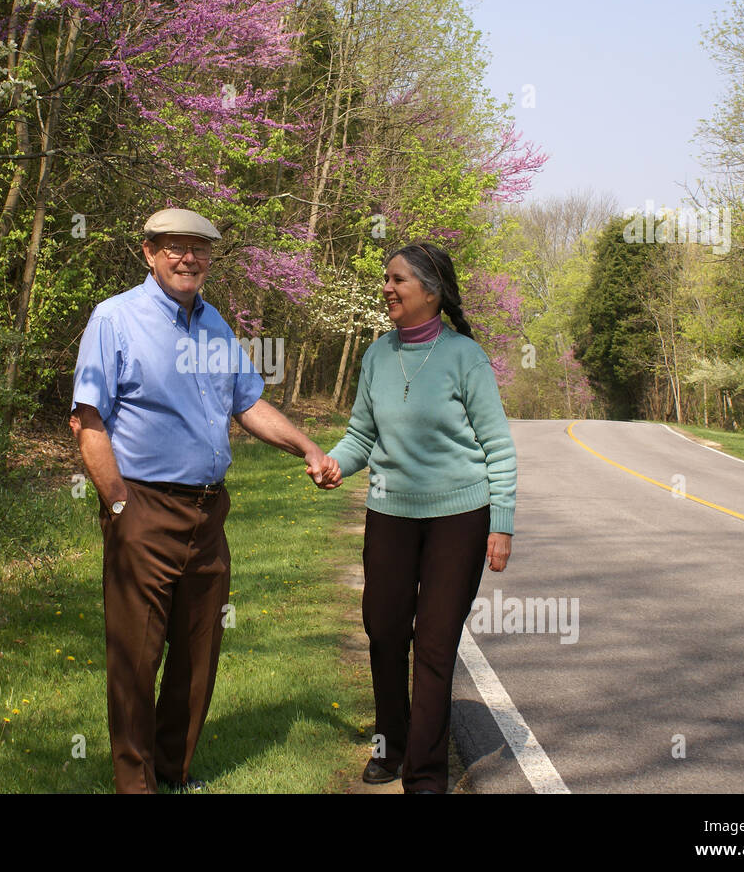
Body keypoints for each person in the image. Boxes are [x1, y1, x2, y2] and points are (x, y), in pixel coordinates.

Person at [70, 206, 341, 794]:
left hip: (207, 514)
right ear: (148, 252)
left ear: (210, 258)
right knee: (135, 662)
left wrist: (308, 448)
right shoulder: (114, 319)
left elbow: (246, 403)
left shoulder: (215, 324)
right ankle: (134, 784)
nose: (187, 258)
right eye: (174, 246)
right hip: (141, 506)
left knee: (198, 657)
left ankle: (173, 772)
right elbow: (87, 417)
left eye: (198, 248)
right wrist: (117, 504)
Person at [324, 241, 516, 794]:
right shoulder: (377, 355)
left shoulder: (465, 357)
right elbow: (362, 433)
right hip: (390, 513)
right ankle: (393, 744)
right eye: (386, 279)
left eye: (398, 280)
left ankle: (426, 775)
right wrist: (336, 463)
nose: (386, 288)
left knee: (434, 644)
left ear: (430, 291)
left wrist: (500, 524)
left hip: (460, 516)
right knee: (384, 631)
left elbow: (498, 448)